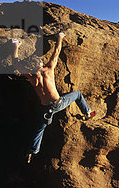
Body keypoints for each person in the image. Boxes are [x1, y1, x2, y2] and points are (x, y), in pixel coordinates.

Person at [12, 32, 95, 163]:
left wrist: (16, 45)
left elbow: (15, 63)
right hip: (58, 104)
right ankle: (88, 113)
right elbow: (56, 52)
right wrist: (60, 38)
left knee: (40, 129)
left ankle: (32, 151)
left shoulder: (31, 77)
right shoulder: (49, 70)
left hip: (45, 110)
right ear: (40, 63)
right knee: (78, 94)